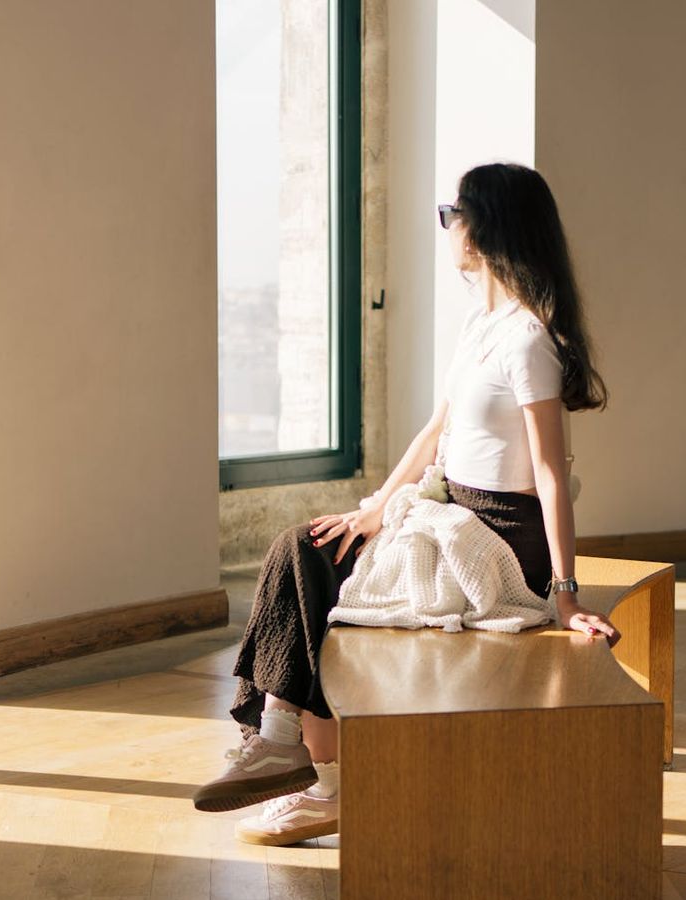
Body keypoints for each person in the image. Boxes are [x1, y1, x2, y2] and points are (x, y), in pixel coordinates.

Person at [192, 161, 622, 846]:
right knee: (307, 548)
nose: (448, 225)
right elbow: (433, 433)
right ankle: (288, 749)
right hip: (448, 510)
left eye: (454, 213)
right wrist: (377, 508)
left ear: (486, 229)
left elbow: (548, 468)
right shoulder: (482, 326)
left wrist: (565, 595)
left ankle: (315, 776)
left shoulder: (528, 341)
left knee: (314, 576)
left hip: (498, 542)